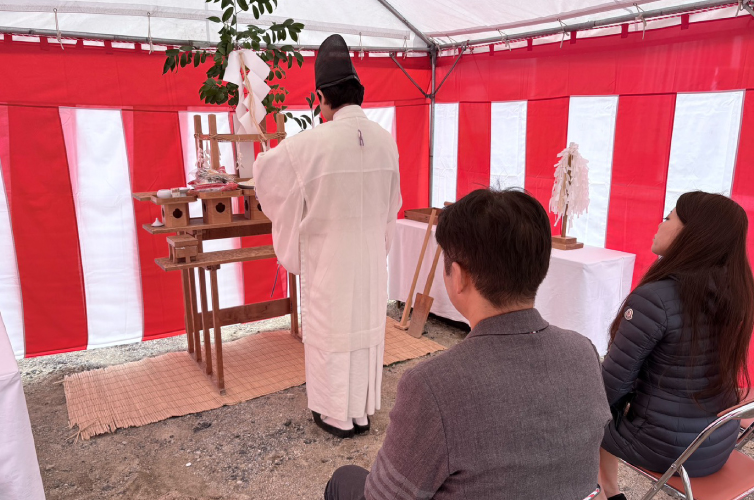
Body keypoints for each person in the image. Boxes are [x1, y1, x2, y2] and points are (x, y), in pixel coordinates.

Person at [325, 188, 611, 499]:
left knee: (344, 480)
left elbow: (385, 496)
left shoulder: (434, 385)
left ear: (458, 277)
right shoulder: (583, 353)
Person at [253, 34, 402, 439]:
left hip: (330, 260)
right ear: (358, 91)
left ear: (321, 96)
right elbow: (394, 206)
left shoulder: (309, 143)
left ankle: (336, 416)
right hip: (369, 260)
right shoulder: (386, 142)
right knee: (363, 327)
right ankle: (361, 411)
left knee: (332, 331)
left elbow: (265, 177)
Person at [598, 191, 754, 500]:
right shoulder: (737, 292)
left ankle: (608, 495)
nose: (659, 223)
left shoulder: (655, 298)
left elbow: (610, 388)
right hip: (715, 443)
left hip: (668, 449)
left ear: (692, 234)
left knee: (586, 413)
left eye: (669, 217)